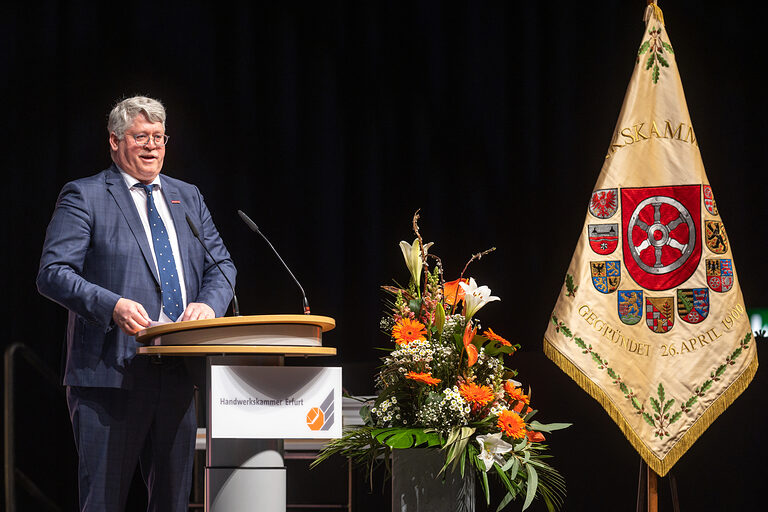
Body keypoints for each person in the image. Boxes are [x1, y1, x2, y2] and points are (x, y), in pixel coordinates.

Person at [37, 96, 237, 511]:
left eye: (159, 137)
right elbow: (53, 273)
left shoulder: (188, 197)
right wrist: (112, 305)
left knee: (172, 501)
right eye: (140, 136)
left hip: (179, 371)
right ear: (114, 141)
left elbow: (222, 266)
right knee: (104, 501)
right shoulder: (86, 195)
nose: (152, 146)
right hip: (111, 376)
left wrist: (208, 306)